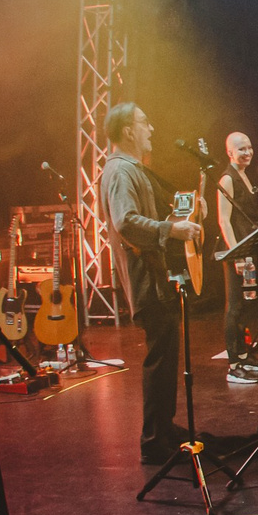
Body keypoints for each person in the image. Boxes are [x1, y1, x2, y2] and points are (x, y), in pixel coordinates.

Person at [100, 102, 203, 462]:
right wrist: (172, 230)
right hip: (146, 279)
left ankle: (164, 429)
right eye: (144, 122)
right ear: (128, 130)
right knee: (159, 360)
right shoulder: (120, 171)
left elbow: (153, 215)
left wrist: (186, 215)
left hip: (155, 277)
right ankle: (154, 441)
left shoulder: (132, 169)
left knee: (166, 357)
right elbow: (126, 222)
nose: (151, 129)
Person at [216, 131, 258, 386]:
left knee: (247, 305)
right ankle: (234, 365)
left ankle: (244, 356)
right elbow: (224, 220)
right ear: (229, 152)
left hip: (250, 251)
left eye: (249, 147)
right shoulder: (227, 179)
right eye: (241, 149)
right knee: (234, 307)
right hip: (238, 252)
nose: (247, 152)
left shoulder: (245, 175)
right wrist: (237, 255)